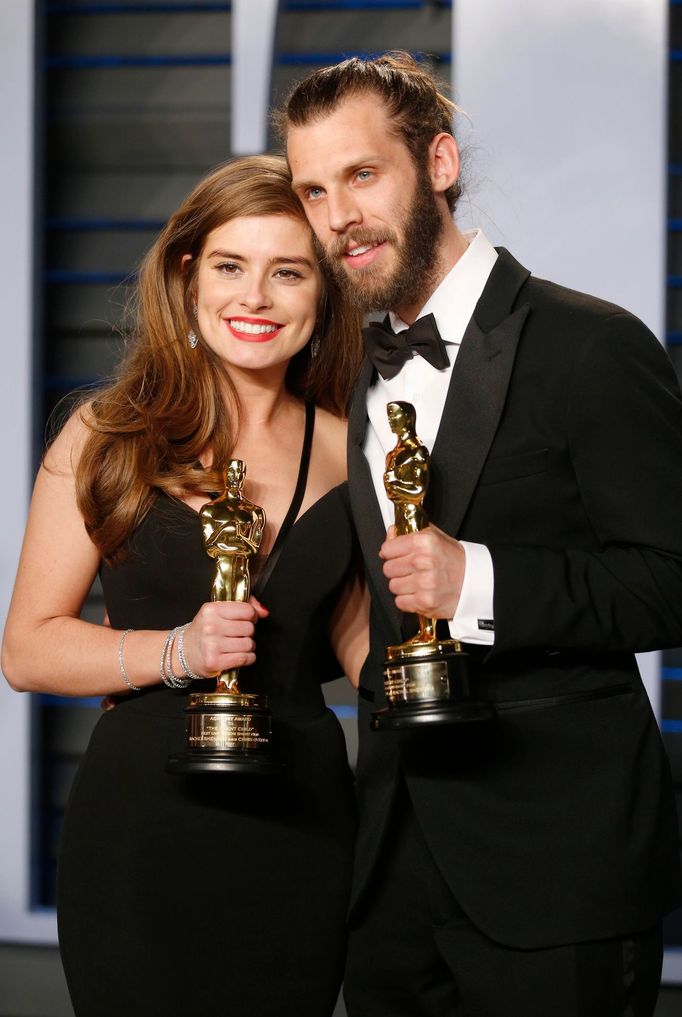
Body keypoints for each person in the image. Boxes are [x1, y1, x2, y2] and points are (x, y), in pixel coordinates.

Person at [280, 52, 682, 1017]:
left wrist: (480, 584)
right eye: (313, 189)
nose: (338, 215)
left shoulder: (592, 344)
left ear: (441, 163)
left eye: (363, 174)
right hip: (392, 875)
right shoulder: (352, 369)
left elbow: (672, 578)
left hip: (556, 864)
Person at [1, 155, 367, 1017]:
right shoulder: (105, 434)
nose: (257, 298)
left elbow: (358, 638)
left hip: (304, 824)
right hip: (145, 821)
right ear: (185, 273)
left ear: (322, 295)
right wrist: (177, 651)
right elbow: (26, 647)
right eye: (231, 266)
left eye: (289, 272)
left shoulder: (358, 449)